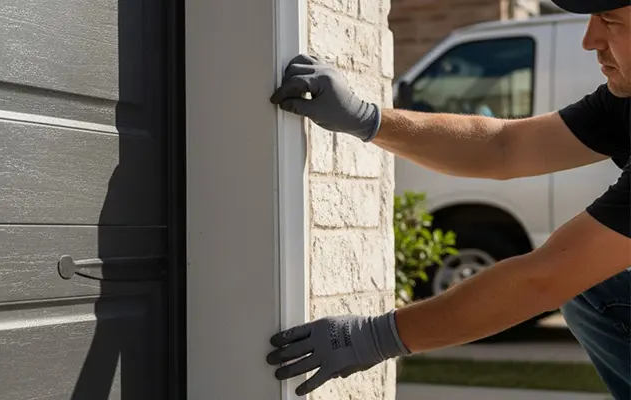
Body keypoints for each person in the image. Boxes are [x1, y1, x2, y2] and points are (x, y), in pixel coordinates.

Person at [266, 1, 631, 398]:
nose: (589, 40)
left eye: (610, 21)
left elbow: (544, 279)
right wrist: (366, 118)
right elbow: (504, 147)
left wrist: (373, 337)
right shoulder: (622, 102)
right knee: (596, 288)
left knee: (586, 279)